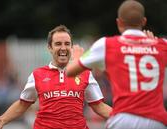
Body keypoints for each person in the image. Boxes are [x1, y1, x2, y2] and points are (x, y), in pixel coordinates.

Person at [66, 0, 167, 129]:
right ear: (144, 21)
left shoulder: (106, 45)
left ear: (119, 22)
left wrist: (77, 57)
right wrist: (154, 45)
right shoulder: (162, 45)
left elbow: (70, 71)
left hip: (123, 119)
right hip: (156, 120)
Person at [0, 25, 112, 129]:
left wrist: (126, 117)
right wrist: (2, 120)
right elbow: (22, 104)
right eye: (58, 44)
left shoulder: (85, 73)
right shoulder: (37, 74)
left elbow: (99, 106)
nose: (63, 48)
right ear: (50, 48)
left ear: (71, 47)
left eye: (67, 44)